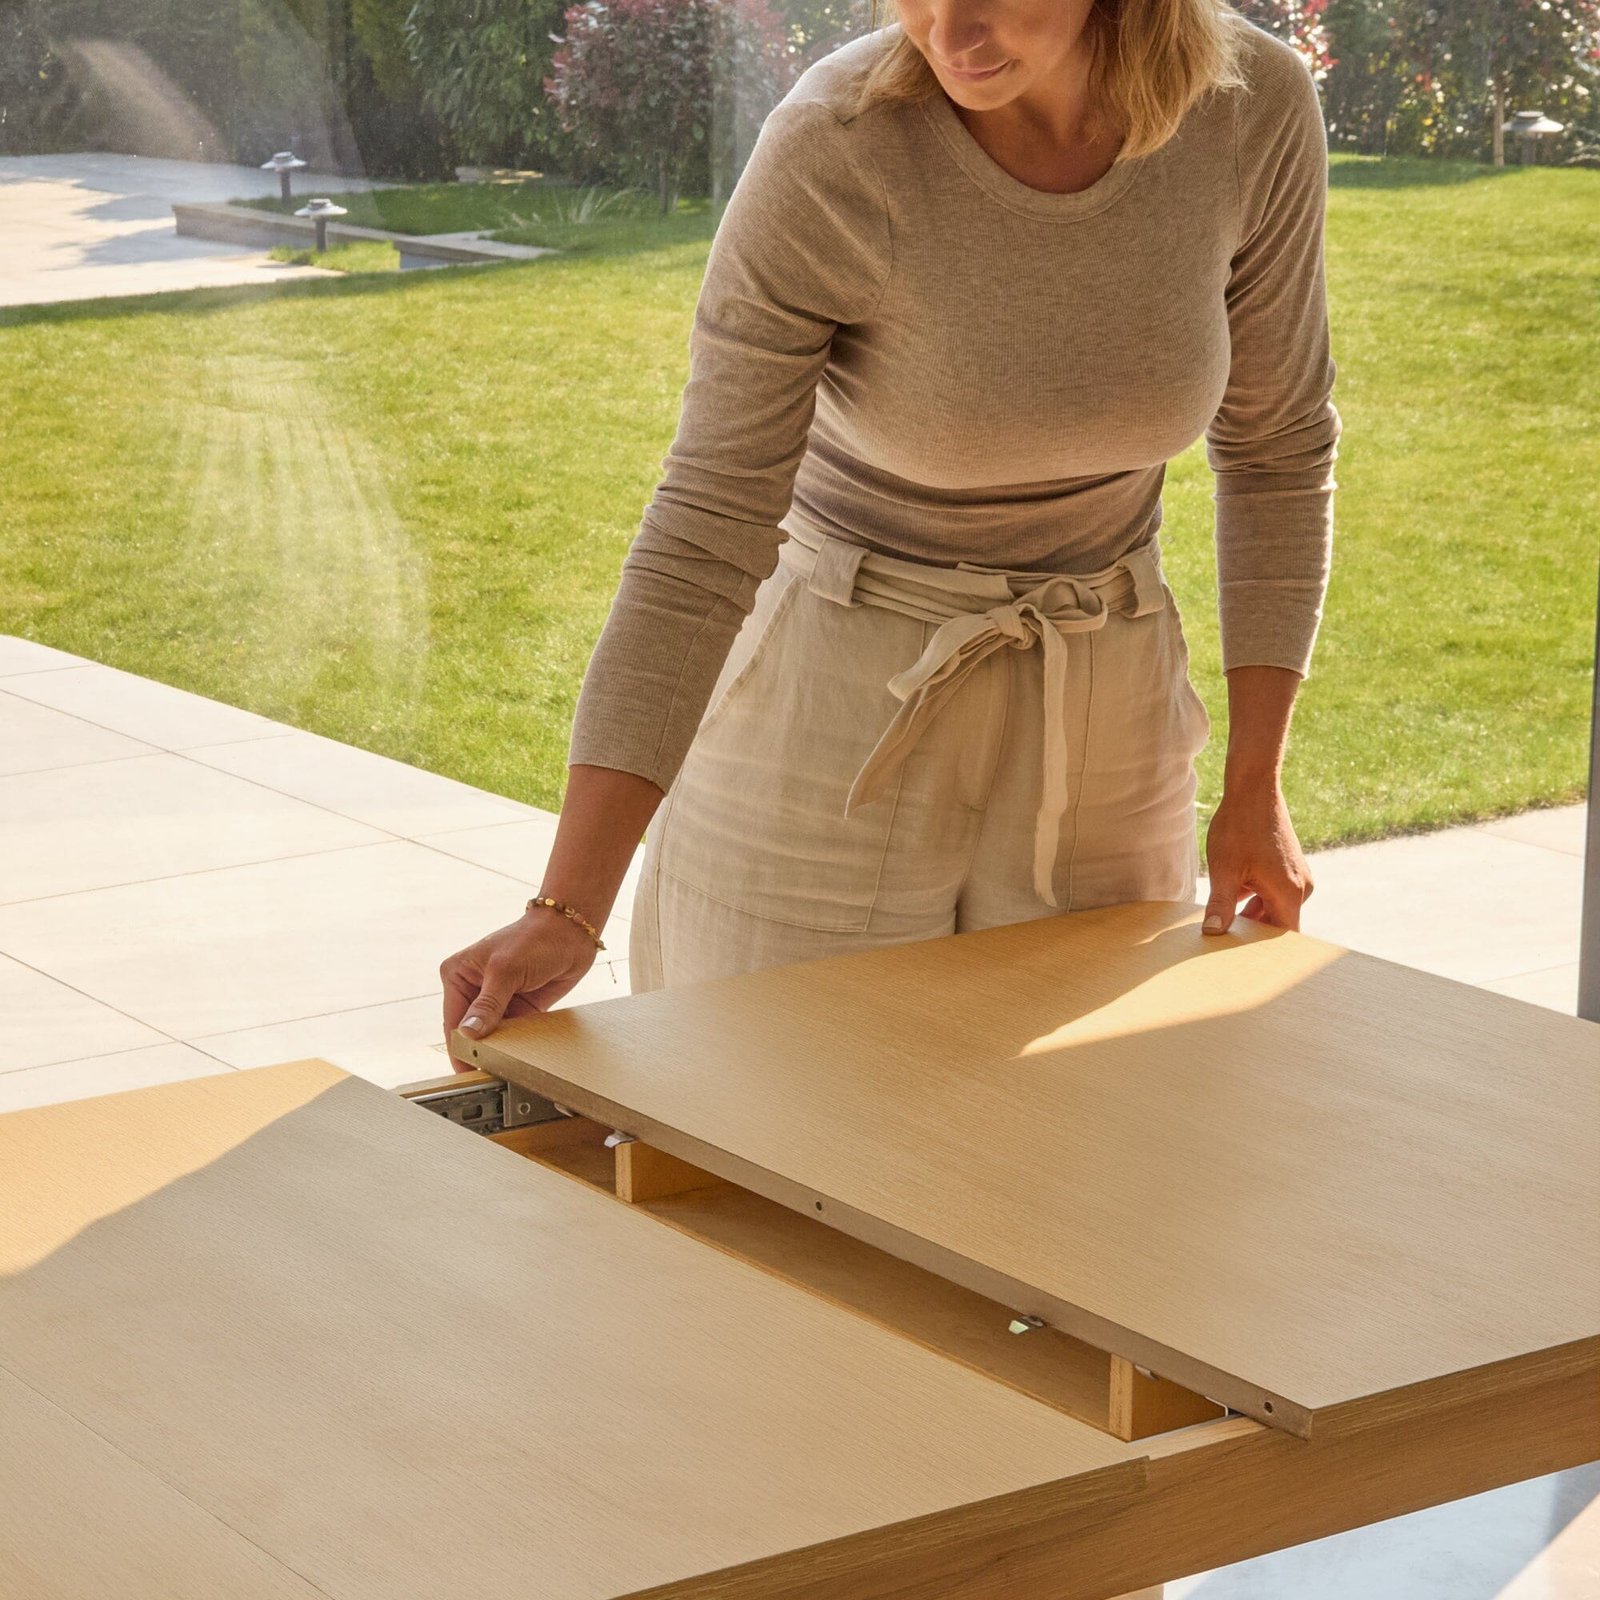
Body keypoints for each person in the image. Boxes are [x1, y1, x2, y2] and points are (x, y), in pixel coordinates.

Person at [441, 0, 1340, 1057]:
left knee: (1079, 1155)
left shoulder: (1249, 106)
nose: (949, 34)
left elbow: (1278, 450)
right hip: (831, 706)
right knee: (764, 1138)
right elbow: (707, 522)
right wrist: (566, 909)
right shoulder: (838, 143)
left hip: (1107, 701)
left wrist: (1252, 786)